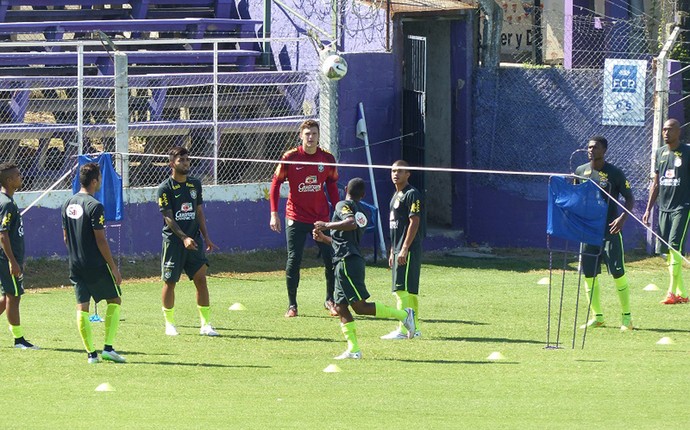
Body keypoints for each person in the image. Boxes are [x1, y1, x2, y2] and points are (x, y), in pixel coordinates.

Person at [313, 177, 415, 359]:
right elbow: (344, 240)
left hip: (347, 261)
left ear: (346, 190)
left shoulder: (342, 204)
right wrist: (325, 239)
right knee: (340, 306)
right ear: (364, 195)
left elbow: (349, 223)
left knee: (360, 307)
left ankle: (403, 315)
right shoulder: (364, 213)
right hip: (345, 259)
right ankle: (353, 349)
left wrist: (326, 225)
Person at [269, 119, 340, 318]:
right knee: (294, 259)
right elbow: (275, 185)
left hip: (321, 218)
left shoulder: (327, 158)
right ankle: (292, 305)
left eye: (314, 134)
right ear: (301, 136)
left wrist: (339, 210)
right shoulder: (290, 157)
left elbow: (332, 186)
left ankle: (330, 300)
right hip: (296, 216)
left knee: (331, 258)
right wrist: (274, 213)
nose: (311, 137)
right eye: (307, 134)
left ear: (319, 136)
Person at [62, 162, 124, 363]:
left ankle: (91, 355)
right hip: (95, 264)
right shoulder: (95, 206)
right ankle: (108, 348)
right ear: (95, 181)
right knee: (114, 300)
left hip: (75, 263)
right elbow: (101, 240)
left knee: (82, 306)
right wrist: (113, 267)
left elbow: (65, 238)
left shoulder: (67, 203)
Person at [157, 146, 219, 336]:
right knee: (170, 282)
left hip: (195, 240)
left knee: (201, 279)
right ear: (171, 164)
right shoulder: (165, 188)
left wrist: (206, 237)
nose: (185, 163)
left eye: (187, 159)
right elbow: (168, 217)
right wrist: (183, 237)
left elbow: (199, 211)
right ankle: (169, 324)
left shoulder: (195, 184)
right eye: (180, 160)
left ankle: (206, 325)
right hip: (174, 242)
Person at [574, 136, 635, 330]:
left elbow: (629, 199)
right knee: (589, 274)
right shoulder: (581, 171)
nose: (591, 150)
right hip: (588, 231)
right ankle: (597, 316)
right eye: (589, 147)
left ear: (604, 150)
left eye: (595, 147)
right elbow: (576, 197)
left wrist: (622, 219)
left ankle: (627, 317)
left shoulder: (615, 173)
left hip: (610, 230)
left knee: (618, 272)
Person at [643, 118, 690, 305]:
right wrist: (648, 209)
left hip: (682, 206)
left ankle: (671, 292)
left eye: (669, 129)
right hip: (664, 208)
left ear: (678, 132)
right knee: (667, 251)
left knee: (674, 247)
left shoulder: (687, 152)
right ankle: (683, 293)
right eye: (663, 129)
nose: (665, 133)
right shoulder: (660, 152)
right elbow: (655, 183)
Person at [381, 160, 425, 340]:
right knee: (410, 291)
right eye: (393, 171)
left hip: (408, 248)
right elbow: (396, 226)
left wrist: (404, 248)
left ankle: (402, 328)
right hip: (398, 248)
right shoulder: (396, 195)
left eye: (400, 171)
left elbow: (414, 221)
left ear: (408, 174)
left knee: (401, 289)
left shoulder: (412, 194)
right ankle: (415, 329)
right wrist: (393, 249)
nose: (395, 174)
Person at [0, 163, 37, 350]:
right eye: (18, 175)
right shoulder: (6, 203)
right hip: (7, 259)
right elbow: (2, 234)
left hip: (8, 258)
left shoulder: (8, 200)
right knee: (14, 297)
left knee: (6, 297)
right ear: (9, 180)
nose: (21, 177)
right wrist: (13, 262)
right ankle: (18, 340)